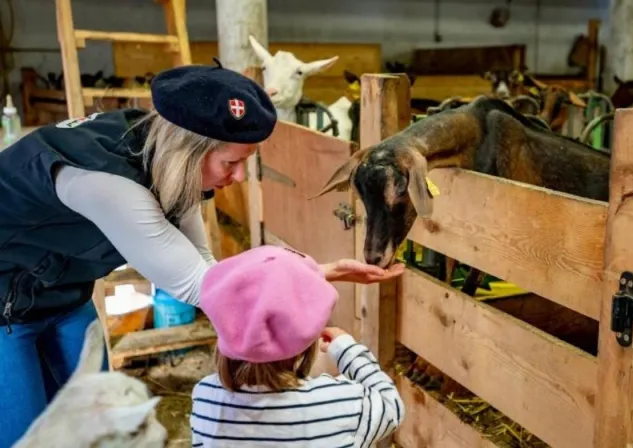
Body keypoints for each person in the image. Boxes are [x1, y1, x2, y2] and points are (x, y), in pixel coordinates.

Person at [0, 60, 403, 447]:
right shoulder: (108, 184)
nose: (240, 175)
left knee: (95, 426)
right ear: (191, 151)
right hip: (5, 300)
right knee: (24, 433)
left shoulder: (165, 157)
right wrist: (312, 278)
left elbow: (207, 270)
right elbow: (205, 288)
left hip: (63, 292)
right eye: (233, 162)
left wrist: (317, 271)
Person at [191, 245, 405, 447]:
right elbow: (391, 405)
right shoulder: (339, 404)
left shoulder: (206, 399)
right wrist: (347, 350)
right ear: (308, 341)